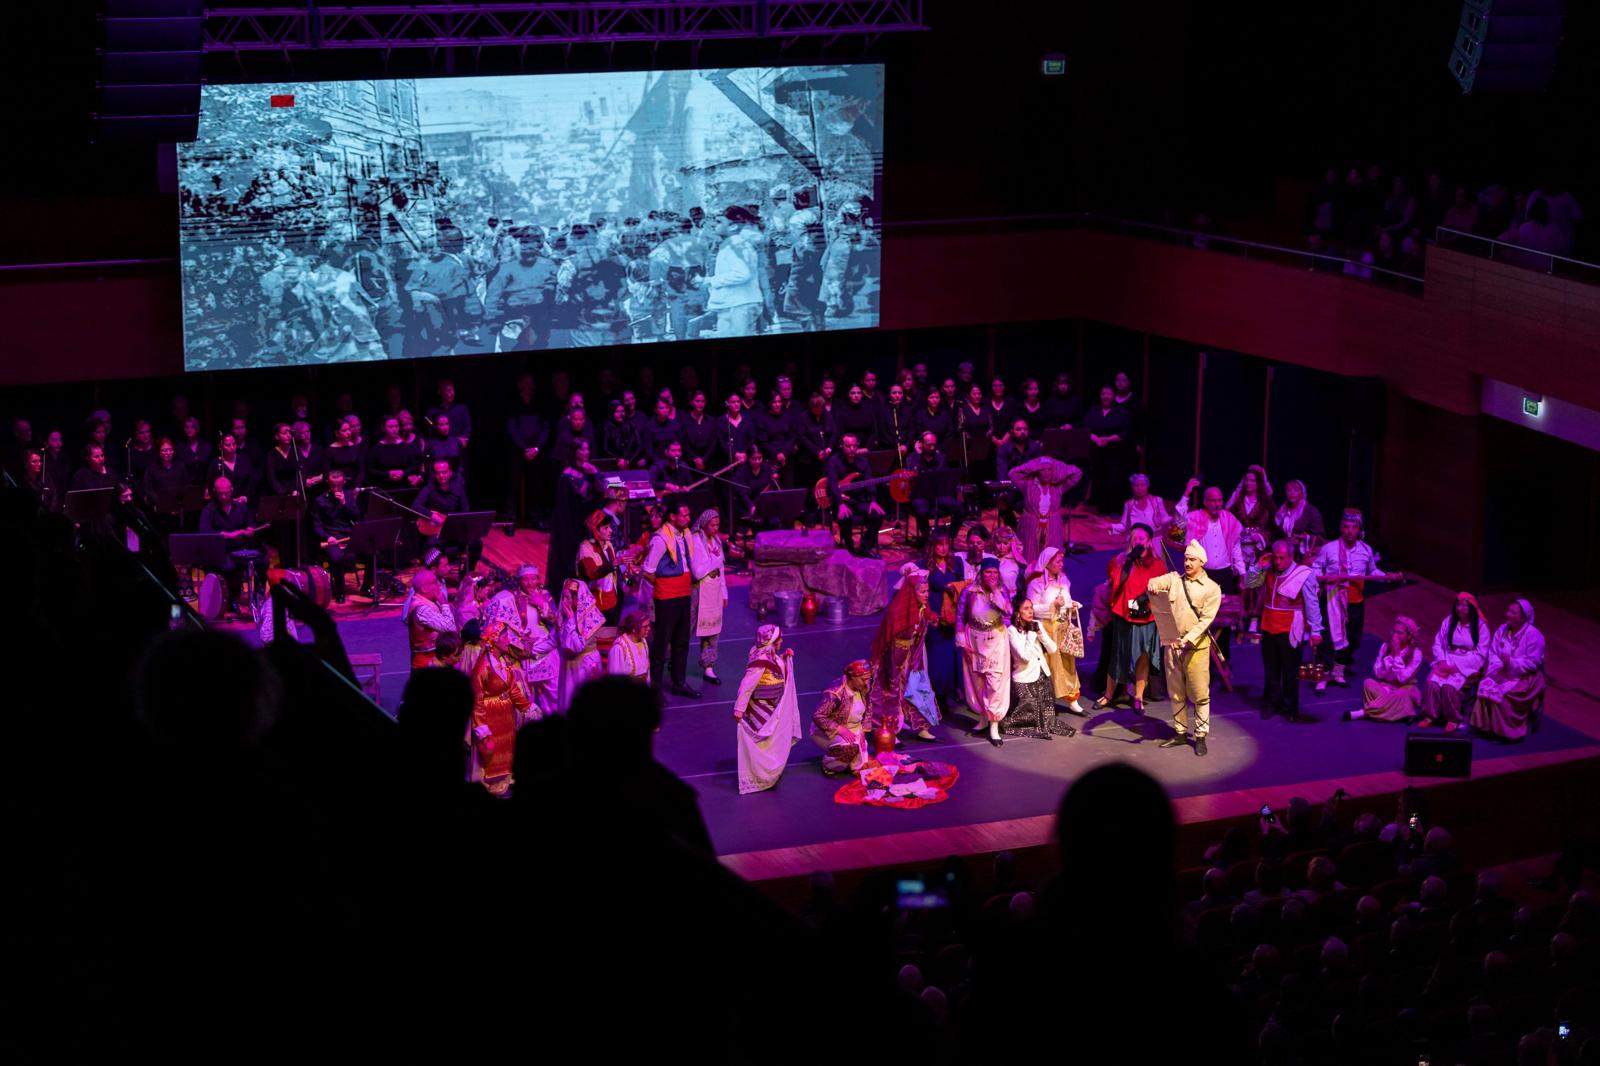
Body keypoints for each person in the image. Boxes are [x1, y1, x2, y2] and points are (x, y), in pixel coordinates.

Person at [1311, 508, 1401, 693]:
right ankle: (1323, 676)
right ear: (1341, 528)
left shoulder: (1366, 550)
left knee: (1352, 638)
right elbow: (1316, 567)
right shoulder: (1329, 548)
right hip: (1333, 600)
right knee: (1327, 639)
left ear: (1359, 529)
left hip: (1355, 602)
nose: (1350, 531)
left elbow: (1372, 571)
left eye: (1353, 527)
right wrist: (1321, 578)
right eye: (1346, 527)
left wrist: (1386, 577)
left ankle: (1338, 671)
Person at [1147, 541, 1222, 756]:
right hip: (1172, 645)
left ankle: (1200, 736)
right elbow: (1153, 582)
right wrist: (1152, 584)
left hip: (1195, 648)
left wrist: (1187, 639)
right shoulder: (1174, 579)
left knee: (1199, 694)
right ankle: (1180, 732)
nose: (1188, 563)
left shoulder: (1212, 589)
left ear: (1202, 562)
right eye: (1186, 559)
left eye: (1192, 560)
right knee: (1176, 692)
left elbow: (1205, 620)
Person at [1244, 539, 1323, 723]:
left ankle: (1290, 707)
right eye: (1275, 557)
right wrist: (1258, 566)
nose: (1278, 562)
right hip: (1269, 627)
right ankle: (1271, 703)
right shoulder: (1268, 570)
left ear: (1291, 556)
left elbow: (1312, 603)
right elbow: (1249, 583)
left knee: (1290, 671)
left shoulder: (1303, 574)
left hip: (1290, 630)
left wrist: (1316, 630)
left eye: (1282, 558)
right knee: (1271, 670)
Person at [865, 570, 940, 742]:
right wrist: (895, 669)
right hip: (893, 659)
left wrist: (915, 662)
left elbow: (919, 636)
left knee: (919, 686)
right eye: (922, 592)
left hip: (912, 654)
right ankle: (889, 730)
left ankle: (923, 727)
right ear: (912, 593)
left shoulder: (922, 609)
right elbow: (889, 643)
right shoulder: (897, 613)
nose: (927, 595)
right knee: (890, 692)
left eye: (927, 591)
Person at [1098, 524, 1166, 712]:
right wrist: (1129, 561)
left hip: (1146, 616)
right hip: (1124, 614)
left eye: (1142, 538)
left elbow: (1163, 590)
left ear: (1149, 542)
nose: (1138, 541)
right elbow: (1116, 583)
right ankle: (1108, 695)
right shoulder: (1120, 561)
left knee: (1143, 656)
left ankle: (1138, 696)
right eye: (1135, 538)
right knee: (1118, 655)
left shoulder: (1158, 564)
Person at [1175, 481, 1248, 657]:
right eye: (1213, 501)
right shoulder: (1195, 518)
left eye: (1220, 500)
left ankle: (1222, 657)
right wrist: (1187, 492)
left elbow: (1235, 547)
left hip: (1224, 575)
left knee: (1225, 620)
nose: (1217, 504)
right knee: (1199, 616)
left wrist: (1242, 572)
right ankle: (1200, 657)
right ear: (1205, 502)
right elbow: (1178, 519)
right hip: (1202, 575)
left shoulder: (1229, 519)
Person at [468, 598, 532, 796]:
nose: (508, 640)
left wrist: (526, 707)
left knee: (506, 748)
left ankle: (504, 781)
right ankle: (490, 786)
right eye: (504, 637)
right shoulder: (483, 667)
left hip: (505, 714)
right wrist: (482, 728)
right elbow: (476, 700)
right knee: (492, 752)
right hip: (491, 715)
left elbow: (512, 687)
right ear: (494, 641)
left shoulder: (502, 662)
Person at [732, 624, 803, 793]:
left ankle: (768, 774)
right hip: (762, 707)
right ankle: (760, 776)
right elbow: (747, 685)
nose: (781, 641)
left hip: (773, 706)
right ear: (771, 641)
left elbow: (775, 669)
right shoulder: (760, 660)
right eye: (779, 639)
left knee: (771, 741)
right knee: (764, 741)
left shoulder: (769, 654)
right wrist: (739, 708)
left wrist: (784, 658)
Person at [644, 500, 699, 699]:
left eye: (688, 515)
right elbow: (648, 570)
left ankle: (679, 682)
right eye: (684, 515)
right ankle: (655, 690)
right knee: (661, 643)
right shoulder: (661, 539)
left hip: (684, 593)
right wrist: (664, 585)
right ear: (672, 517)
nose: (688, 518)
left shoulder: (685, 535)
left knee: (682, 640)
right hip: (667, 596)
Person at [1472, 599, 1547, 741]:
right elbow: (1493, 653)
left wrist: (1511, 663)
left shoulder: (1534, 636)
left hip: (1526, 676)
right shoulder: (1502, 629)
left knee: (1503, 693)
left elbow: (1533, 662)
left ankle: (1508, 732)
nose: (1507, 614)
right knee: (1486, 685)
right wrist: (1499, 667)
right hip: (1502, 670)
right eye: (1508, 610)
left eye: (1512, 613)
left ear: (1523, 618)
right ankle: (1486, 726)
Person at [957, 557, 1012, 746]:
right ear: (981, 573)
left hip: (995, 640)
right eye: (988, 572)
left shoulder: (1002, 591)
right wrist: (961, 640)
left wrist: (995, 592)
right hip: (974, 639)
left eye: (995, 572)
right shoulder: (969, 591)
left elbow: (1008, 613)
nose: (992, 576)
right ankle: (983, 717)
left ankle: (994, 724)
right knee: (977, 681)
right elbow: (960, 615)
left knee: (995, 682)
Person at [1026, 546, 1085, 715]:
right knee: (1048, 666)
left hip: (1063, 628)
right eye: (1058, 561)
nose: (1061, 564)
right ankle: (1045, 702)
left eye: (1061, 560)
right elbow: (1031, 608)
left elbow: (1067, 600)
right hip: (1047, 630)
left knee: (1068, 663)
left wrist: (1071, 605)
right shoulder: (1036, 583)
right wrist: (1053, 606)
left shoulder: (1064, 580)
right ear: (1047, 562)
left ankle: (1073, 699)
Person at [1421, 591, 1491, 731]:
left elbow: (1481, 654)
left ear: (1471, 607)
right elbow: (1438, 643)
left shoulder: (1481, 626)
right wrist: (1441, 661)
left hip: (1466, 665)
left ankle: (1453, 718)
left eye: (1464, 605)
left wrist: (1457, 667)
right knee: (1432, 683)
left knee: (1449, 687)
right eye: (1458, 605)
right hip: (1447, 660)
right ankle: (1431, 715)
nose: (1460, 608)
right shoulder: (1448, 621)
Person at [1007, 598, 1073, 740]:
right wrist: (1031, 635)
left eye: (1031, 607)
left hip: (1042, 674)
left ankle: (1045, 723)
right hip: (1025, 678)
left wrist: (1041, 634)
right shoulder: (1012, 631)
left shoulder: (1037, 624)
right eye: (1026, 608)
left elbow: (1053, 649)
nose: (1030, 611)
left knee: (1047, 719)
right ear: (1018, 612)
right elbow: (1024, 657)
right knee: (1025, 718)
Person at [197, 475, 263, 613]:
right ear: (215, 492)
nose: (224, 496)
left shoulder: (240, 507)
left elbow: (251, 524)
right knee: (230, 566)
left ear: (231, 490)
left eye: (226, 493)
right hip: (219, 550)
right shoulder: (209, 509)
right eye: (220, 493)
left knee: (263, 561)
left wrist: (250, 529)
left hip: (239, 548)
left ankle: (258, 596)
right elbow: (204, 531)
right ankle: (232, 598)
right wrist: (229, 535)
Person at [1008, 452, 1082, 563]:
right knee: (1030, 552)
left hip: (1052, 524)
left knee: (1051, 554)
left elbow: (1077, 473)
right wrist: (1034, 464)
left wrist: (1055, 463)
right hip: (1031, 524)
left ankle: (1050, 573)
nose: (1046, 473)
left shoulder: (1058, 486)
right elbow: (1012, 473)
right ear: (1037, 471)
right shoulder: (1028, 485)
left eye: (1049, 470)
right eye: (1043, 470)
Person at [547, 439, 599, 595]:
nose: (586, 452)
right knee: (572, 558)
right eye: (582, 449)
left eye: (587, 449)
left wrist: (595, 475)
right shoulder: (568, 475)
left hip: (589, 521)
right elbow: (581, 497)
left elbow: (602, 491)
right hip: (573, 523)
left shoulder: (590, 470)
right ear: (574, 452)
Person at [415, 458, 480, 575]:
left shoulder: (458, 488)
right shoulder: (429, 488)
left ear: (450, 472)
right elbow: (416, 506)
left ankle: (465, 575)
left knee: (476, 543)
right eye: (438, 473)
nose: (441, 476)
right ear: (434, 474)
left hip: (455, 530)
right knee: (432, 545)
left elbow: (466, 511)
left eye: (444, 472)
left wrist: (456, 522)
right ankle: (430, 574)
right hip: (438, 531)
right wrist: (432, 515)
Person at [825, 432, 885, 558]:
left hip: (859, 501)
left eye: (854, 446)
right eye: (848, 446)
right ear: (842, 446)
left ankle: (865, 546)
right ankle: (850, 548)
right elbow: (833, 485)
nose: (852, 449)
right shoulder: (833, 461)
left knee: (878, 515)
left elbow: (870, 482)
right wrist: (840, 504)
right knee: (845, 516)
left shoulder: (863, 462)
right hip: (841, 501)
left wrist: (873, 501)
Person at [1353, 616, 1424, 723]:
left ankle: (1364, 713)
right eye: (1394, 632)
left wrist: (1397, 655)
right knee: (1368, 683)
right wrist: (1387, 664)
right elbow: (1378, 674)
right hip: (1386, 688)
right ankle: (1401, 711)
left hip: (1403, 689)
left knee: (1401, 695)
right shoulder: (1385, 647)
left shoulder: (1416, 654)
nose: (1394, 635)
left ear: (1409, 636)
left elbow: (1402, 679)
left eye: (1399, 633)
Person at [923, 531, 964, 711]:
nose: (944, 548)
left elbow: (962, 586)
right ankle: (937, 696)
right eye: (940, 545)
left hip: (952, 616)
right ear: (932, 546)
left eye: (946, 544)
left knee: (951, 656)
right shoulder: (925, 565)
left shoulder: (956, 564)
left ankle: (950, 692)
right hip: (935, 616)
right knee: (936, 657)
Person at [811, 659, 874, 775]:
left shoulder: (864, 687)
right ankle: (828, 765)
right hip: (826, 731)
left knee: (861, 757)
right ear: (853, 677)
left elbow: (869, 708)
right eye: (863, 679)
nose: (866, 683)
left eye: (868, 679)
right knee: (849, 749)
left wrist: (862, 731)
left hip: (852, 727)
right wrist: (839, 729)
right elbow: (818, 716)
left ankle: (847, 759)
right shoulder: (835, 692)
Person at [311, 466, 361, 602]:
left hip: (350, 536)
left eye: (339, 486)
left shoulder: (349, 495)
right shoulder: (320, 500)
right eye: (333, 486)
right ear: (328, 483)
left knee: (372, 553)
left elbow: (357, 516)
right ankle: (340, 592)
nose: (336, 489)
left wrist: (344, 503)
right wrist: (328, 537)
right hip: (332, 537)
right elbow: (317, 526)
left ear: (344, 482)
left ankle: (366, 587)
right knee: (336, 558)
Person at [689, 509, 727, 686]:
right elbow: (697, 572)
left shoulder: (716, 540)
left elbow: (721, 569)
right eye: (712, 525)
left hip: (714, 591)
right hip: (699, 590)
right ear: (704, 524)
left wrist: (724, 592)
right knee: (687, 628)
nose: (716, 528)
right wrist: (715, 561)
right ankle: (673, 660)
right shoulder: (695, 540)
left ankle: (708, 666)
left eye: (718, 525)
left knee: (713, 630)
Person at [556, 577, 606, 710]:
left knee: (584, 705)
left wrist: (571, 621)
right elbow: (555, 639)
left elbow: (577, 646)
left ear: (577, 599)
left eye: (567, 598)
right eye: (563, 597)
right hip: (569, 666)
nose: (564, 601)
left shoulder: (589, 617)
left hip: (585, 665)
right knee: (568, 703)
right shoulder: (565, 616)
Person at [1082, 385, 1133, 514]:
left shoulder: (1121, 411)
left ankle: (1115, 508)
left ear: (1113, 396)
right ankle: (1102, 508)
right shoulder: (1093, 410)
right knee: (1100, 478)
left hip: (1115, 452)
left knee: (1114, 479)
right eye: (1103, 394)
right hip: (1097, 451)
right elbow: (1085, 428)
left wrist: (1108, 439)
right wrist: (1096, 439)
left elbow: (1125, 432)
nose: (1105, 396)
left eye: (1109, 394)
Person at [906, 431, 960, 546]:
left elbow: (945, 478)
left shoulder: (941, 458)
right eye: (928, 445)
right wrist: (918, 456)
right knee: (922, 512)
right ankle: (928, 540)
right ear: (921, 444)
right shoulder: (912, 458)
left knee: (961, 509)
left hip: (938, 495)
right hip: (920, 495)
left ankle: (948, 537)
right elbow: (910, 474)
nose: (932, 447)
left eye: (934, 445)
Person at [403, 568, 458, 670]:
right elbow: (450, 629)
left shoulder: (429, 602)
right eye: (434, 582)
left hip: (434, 661)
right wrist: (444, 604)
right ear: (424, 588)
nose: (438, 586)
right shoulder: (422, 609)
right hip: (426, 664)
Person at [576, 509, 623, 626]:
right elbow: (591, 573)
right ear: (595, 530)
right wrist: (611, 565)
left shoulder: (609, 545)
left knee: (612, 633)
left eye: (610, 527)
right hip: (596, 604)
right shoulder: (586, 548)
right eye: (605, 528)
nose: (610, 530)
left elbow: (613, 574)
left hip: (612, 601)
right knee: (600, 635)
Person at [1274, 479, 1326, 561]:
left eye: (1296, 490)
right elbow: (1277, 533)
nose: (1292, 493)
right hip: (1284, 553)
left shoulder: (1311, 511)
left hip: (1303, 555)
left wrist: (1305, 538)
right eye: (1289, 490)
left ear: (1302, 493)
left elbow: (1320, 537)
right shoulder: (1282, 511)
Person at [1115, 473, 1176, 540]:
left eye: (1143, 485)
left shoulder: (1157, 501)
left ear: (1147, 486)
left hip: (1154, 539)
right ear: (1132, 487)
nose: (1139, 488)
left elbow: (1164, 519)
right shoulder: (1129, 504)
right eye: (1136, 485)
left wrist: (1173, 520)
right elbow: (1124, 525)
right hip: (1135, 541)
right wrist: (1110, 526)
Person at [606, 609, 652, 683]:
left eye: (649, 625)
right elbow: (615, 678)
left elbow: (646, 672)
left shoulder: (643, 641)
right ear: (634, 629)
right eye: (645, 626)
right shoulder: (619, 648)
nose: (649, 628)